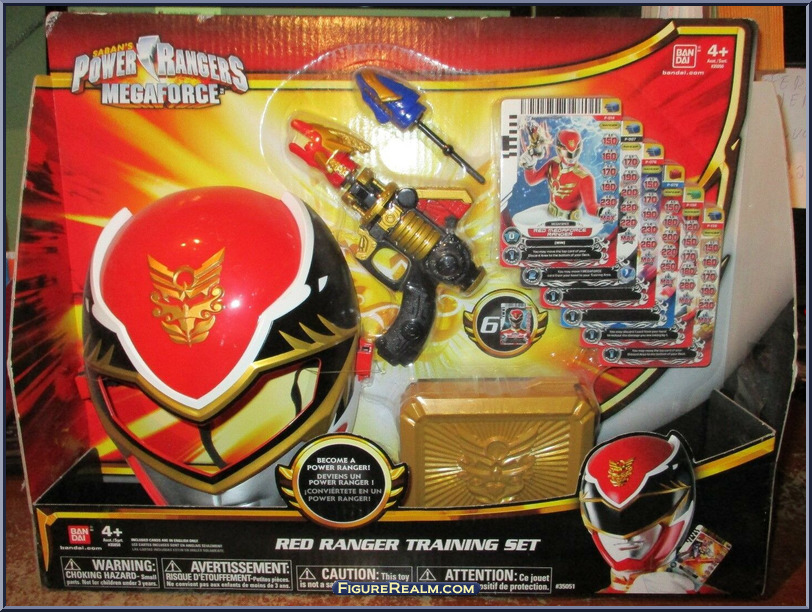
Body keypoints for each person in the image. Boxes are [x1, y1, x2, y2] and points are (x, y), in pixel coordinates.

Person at [520, 125, 599, 221]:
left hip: (570, 221)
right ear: (559, 149)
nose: (571, 158)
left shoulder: (585, 177)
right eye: (567, 153)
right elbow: (532, 180)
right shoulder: (553, 163)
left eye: (575, 152)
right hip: (549, 213)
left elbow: (591, 207)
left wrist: (602, 211)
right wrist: (529, 166)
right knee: (519, 219)